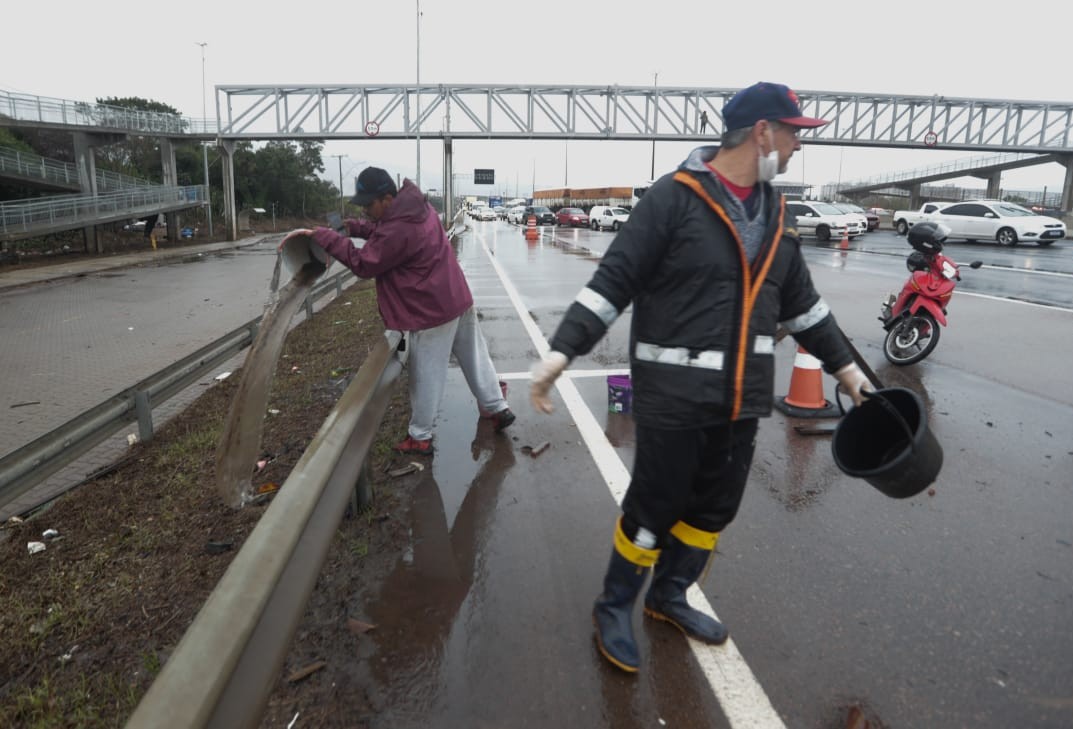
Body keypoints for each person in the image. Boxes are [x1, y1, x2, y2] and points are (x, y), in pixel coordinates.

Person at [528, 81, 873, 673]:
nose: (797, 147)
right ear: (762, 131)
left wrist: (848, 372)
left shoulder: (779, 214)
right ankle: (614, 605)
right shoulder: (673, 200)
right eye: (793, 134)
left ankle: (669, 595)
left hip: (740, 400)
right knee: (653, 507)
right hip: (673, 398)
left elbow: (804, 309)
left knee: (714, 509)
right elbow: (613, 283)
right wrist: (561, 354)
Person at [288, 166, 515, 455]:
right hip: (457, 296)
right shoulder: (419, 208)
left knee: (427, 374)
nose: (367, 210)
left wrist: (329, 239)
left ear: (386, 198)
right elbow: (384, 232)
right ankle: (497, 407)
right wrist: (354, 228)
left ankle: (420, 435)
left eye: (369, 205)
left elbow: (365, 264)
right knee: (475, 357)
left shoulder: (398, 227)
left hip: (431, 311)